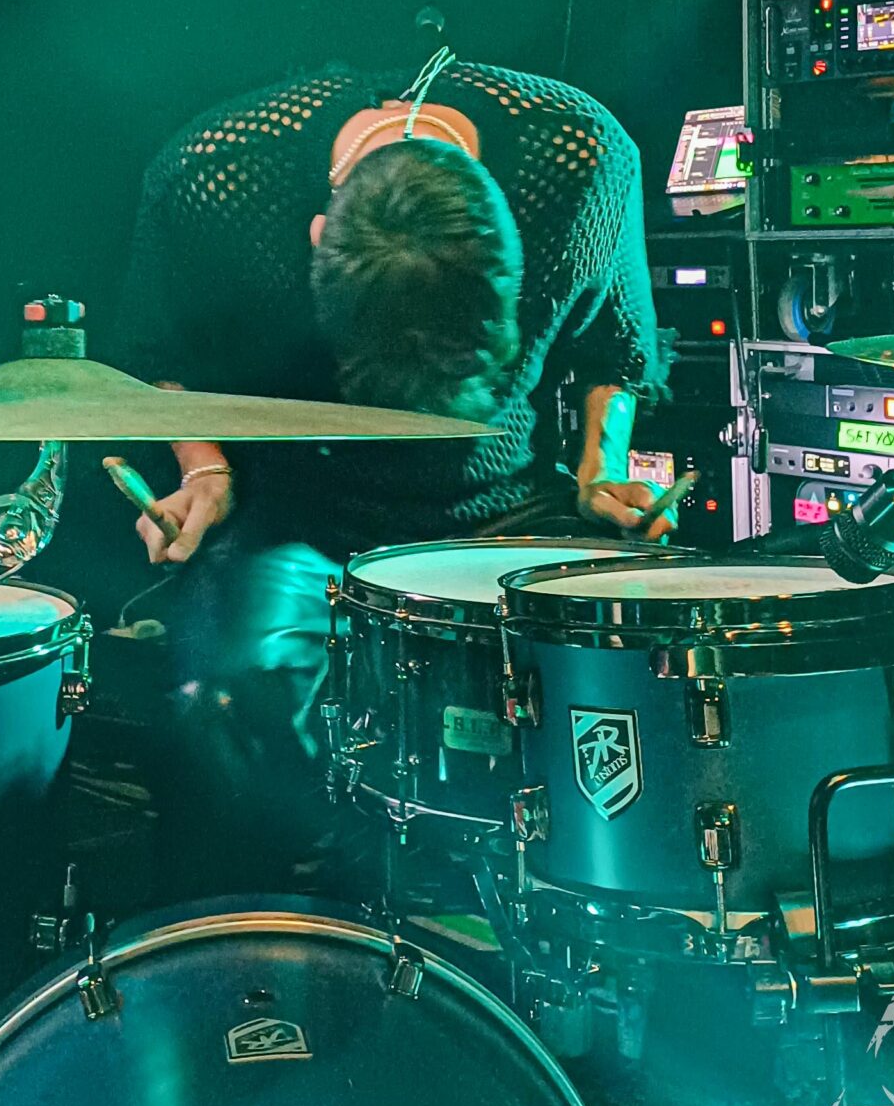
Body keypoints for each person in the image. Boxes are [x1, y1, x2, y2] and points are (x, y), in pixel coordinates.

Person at [115, 56, 675, 894]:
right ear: (316, 238)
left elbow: (615, 349)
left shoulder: (582, 159)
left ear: (519, 253)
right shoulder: (213, 179)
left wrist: (604, 469)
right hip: (301, 510)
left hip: (503, 509)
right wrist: (206, 468)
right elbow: (162, 354)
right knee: (229, 713)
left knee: (623, 697)